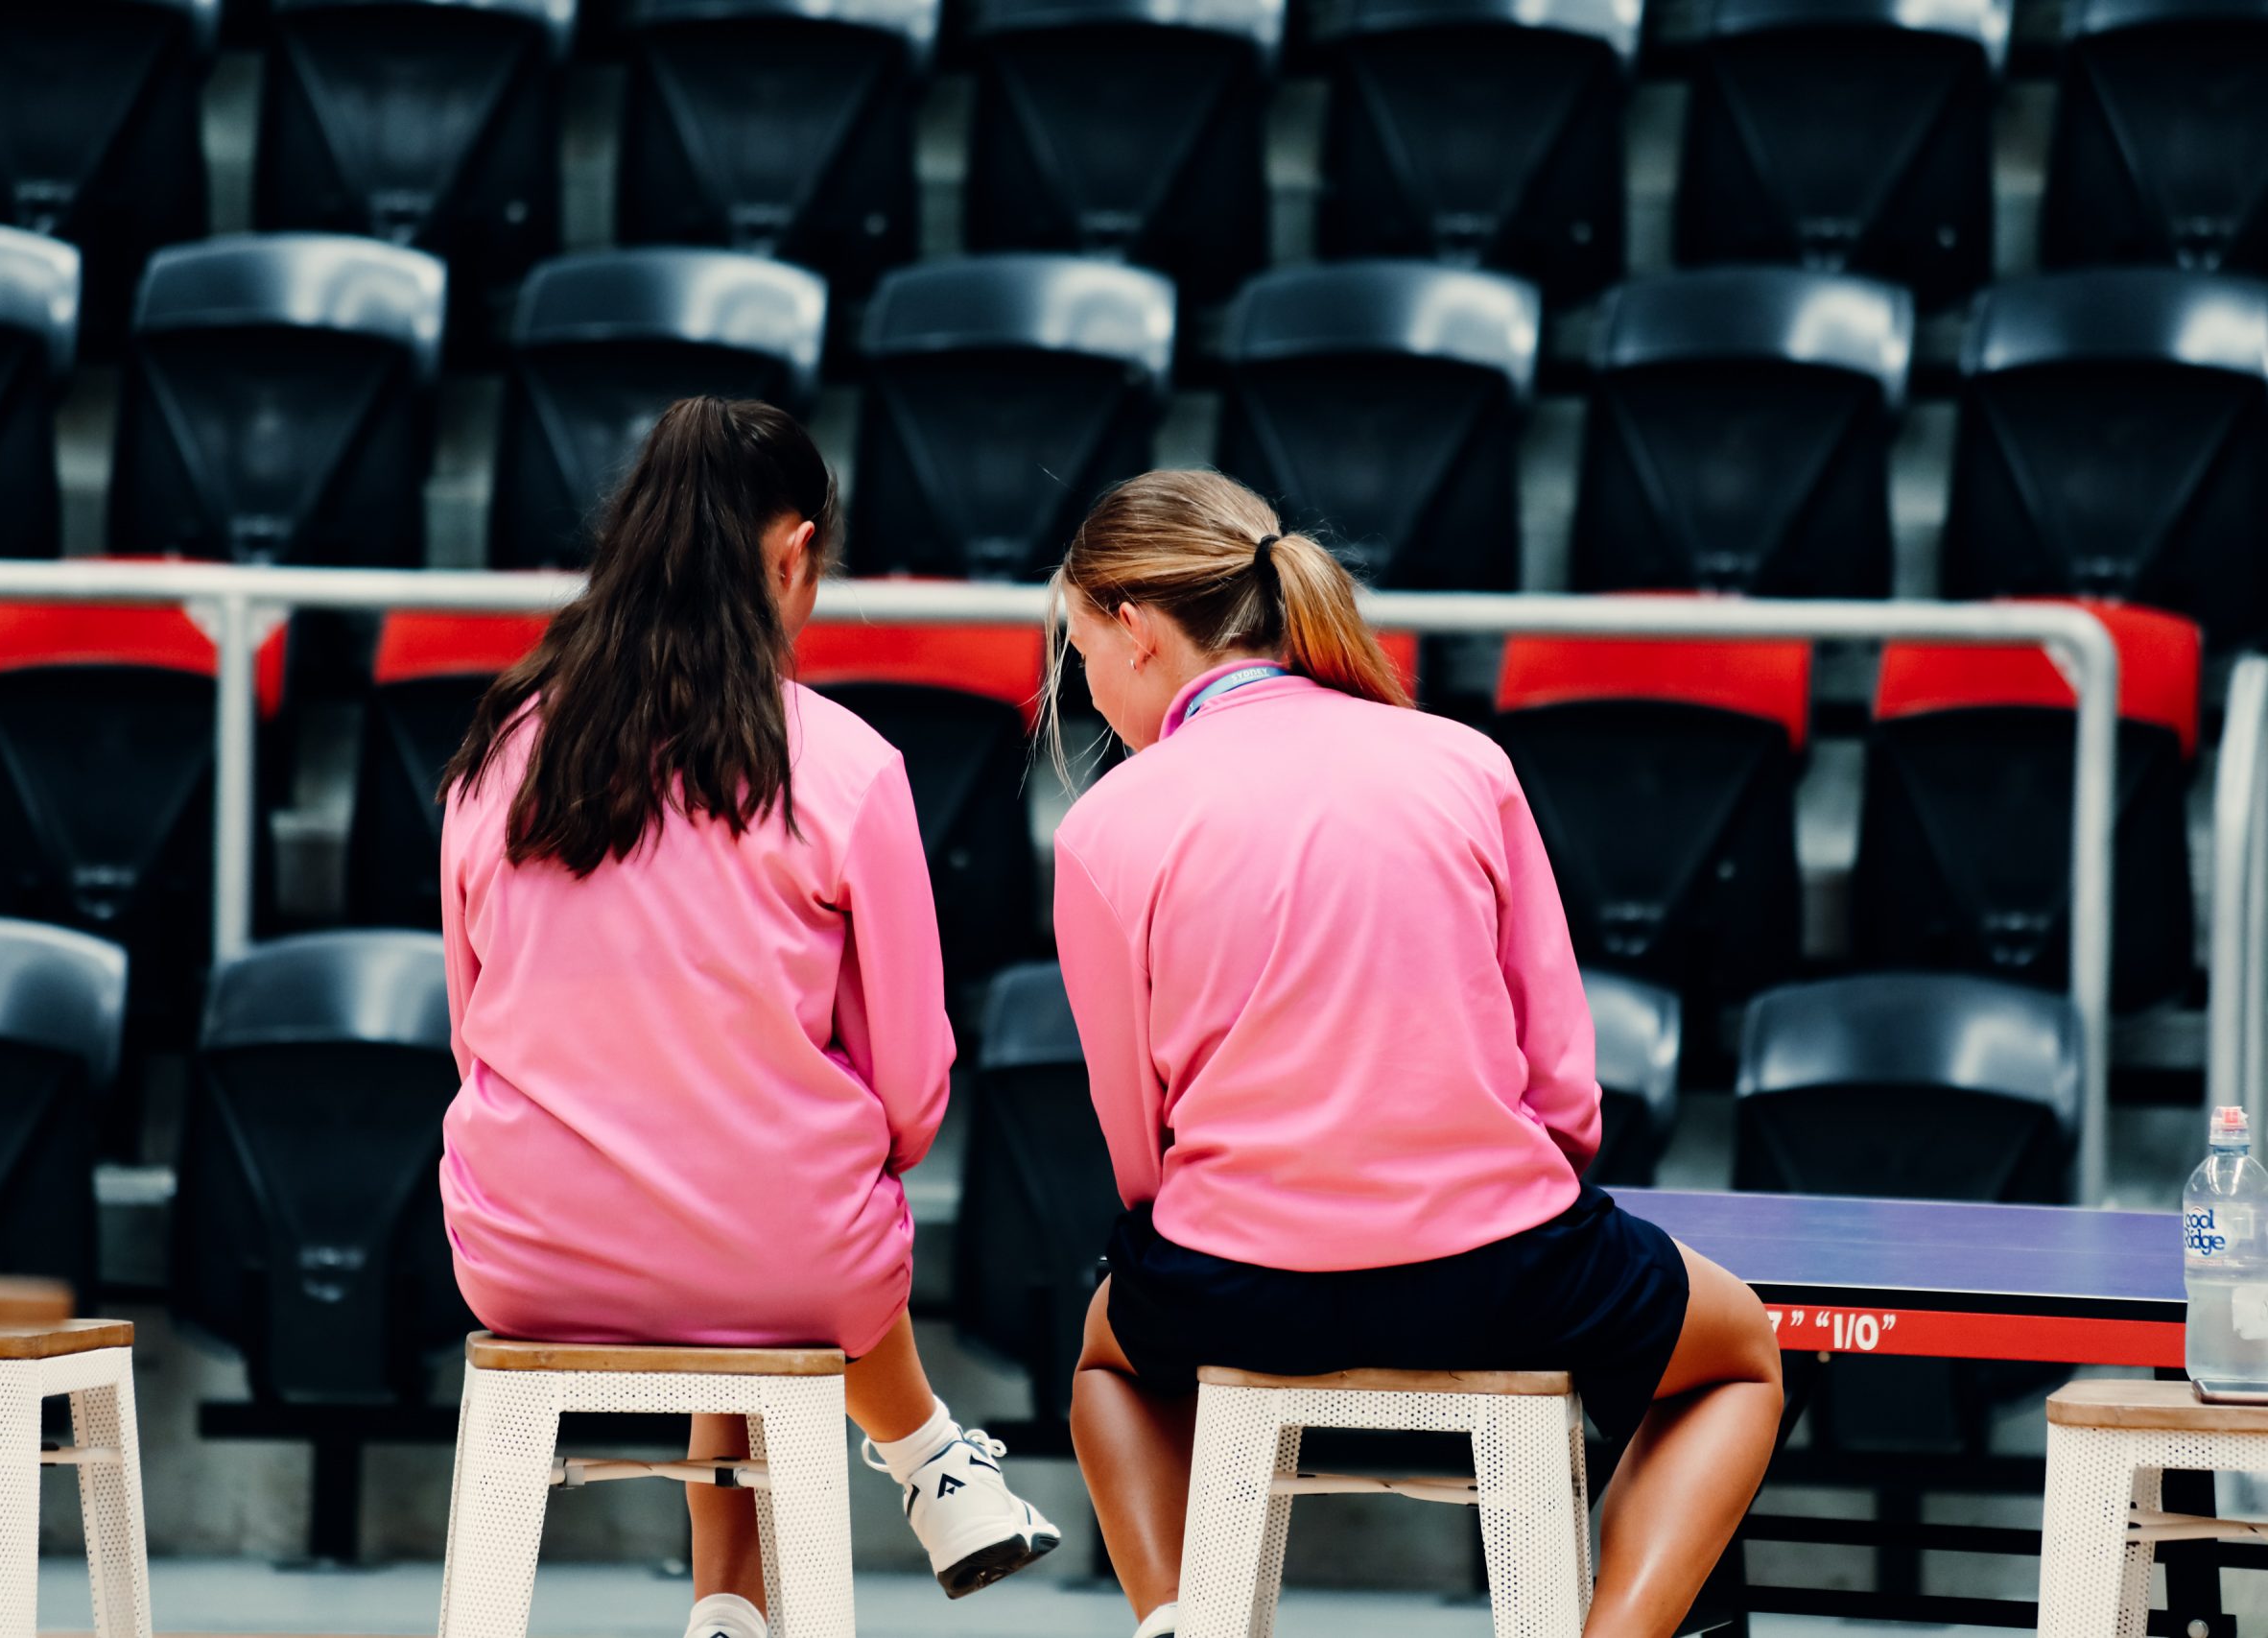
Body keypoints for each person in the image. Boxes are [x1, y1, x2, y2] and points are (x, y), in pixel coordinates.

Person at [1045, 470, 1784, 1638]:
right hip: (1500, 1274)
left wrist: (1210, 1229)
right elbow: (1565, 1091)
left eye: (1079, 649)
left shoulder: (1102, 824)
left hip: (1236, 1286)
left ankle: (1180, 1618)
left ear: (1133, 633)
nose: (1084, 682)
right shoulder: (1460, 761)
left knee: (1103, 1364)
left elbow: (1138, 1146)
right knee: (1739, 1353)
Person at [437, 398, 1059, 1638]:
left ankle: (731, 1598)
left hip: (524, 1251)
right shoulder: (846, 762)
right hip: (795, 1255)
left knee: (720, 1162)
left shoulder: (502, 749)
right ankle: (930, 1460)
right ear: (792, 555)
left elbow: (474, 1022)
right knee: (760, 1181)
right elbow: (914, 1085)